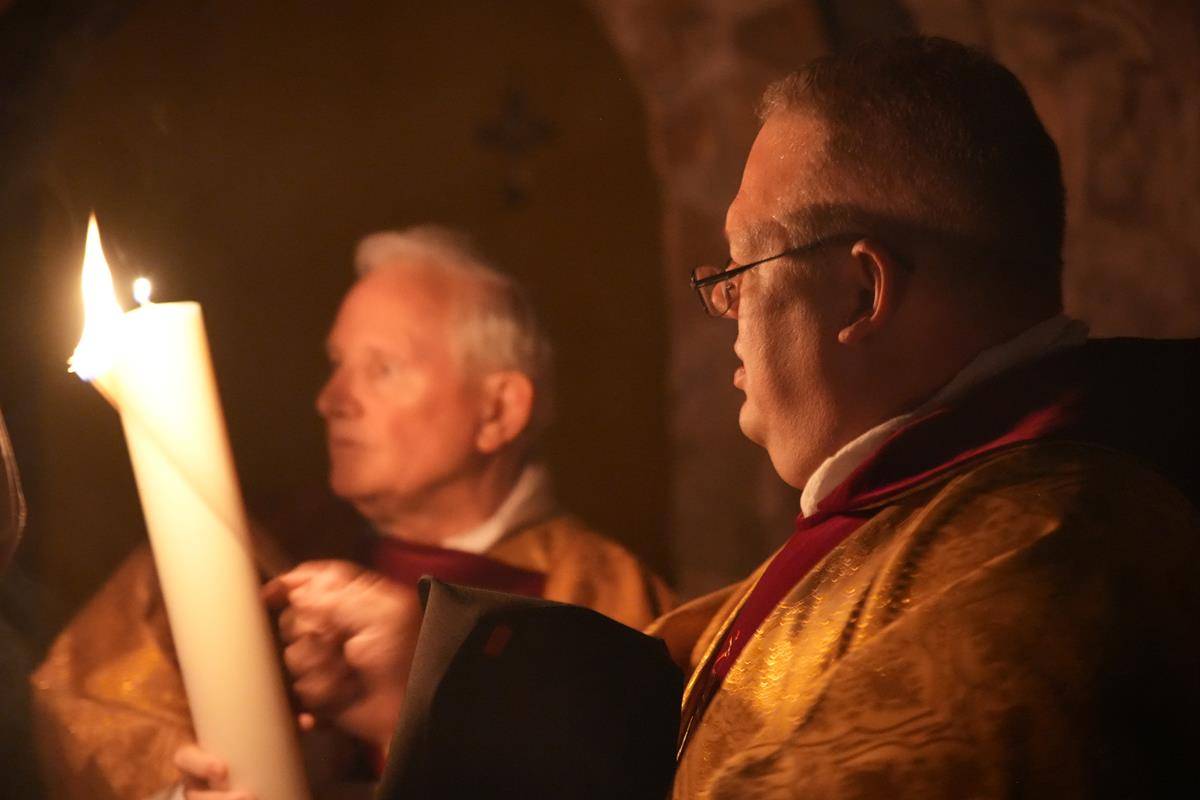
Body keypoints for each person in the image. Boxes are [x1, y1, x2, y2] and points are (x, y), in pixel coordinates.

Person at [204, 37, 1200, 799]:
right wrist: (429, 674)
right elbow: (687, 716)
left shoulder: (1054, 550)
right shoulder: (933, 506)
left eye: (736, 271)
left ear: (859, 293)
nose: (722, 312)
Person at [31, 226, 671, 800]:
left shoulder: (611, 600)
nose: (330, 399)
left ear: (498, 410)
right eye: (337, 365)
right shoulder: (229, 552)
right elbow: (81, 716)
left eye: (382, 369)